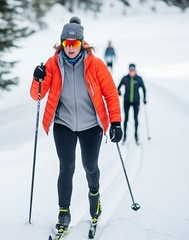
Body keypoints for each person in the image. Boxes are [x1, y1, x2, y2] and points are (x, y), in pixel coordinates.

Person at [30, 17, 123, 235]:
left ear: (82, 43)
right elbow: (37, 95)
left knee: (90, 166)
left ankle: (95, 199)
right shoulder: (52, 64)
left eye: (75, 44)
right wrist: (38, 79)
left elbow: (110, 94)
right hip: (64, 123)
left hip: (92, 124)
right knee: (67, 168)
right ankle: (64, 212)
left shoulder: (96, 65)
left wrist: (116, 122)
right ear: (61, 44)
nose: (71, 48)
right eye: (67, 44)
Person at [117, 63, 147, 144]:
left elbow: (144, 89)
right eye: (130, 70)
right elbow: (118, 88)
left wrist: (144, 99)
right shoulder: (125, 78)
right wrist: (119, 92)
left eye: (133, 70)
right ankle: (125, 136)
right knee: (126, 119)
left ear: (135, 70)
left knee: (135, 119)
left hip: (136, 102)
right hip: (126, 101)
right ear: (129, 70)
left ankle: (136, 136)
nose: (132, 72)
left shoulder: (139, 79)